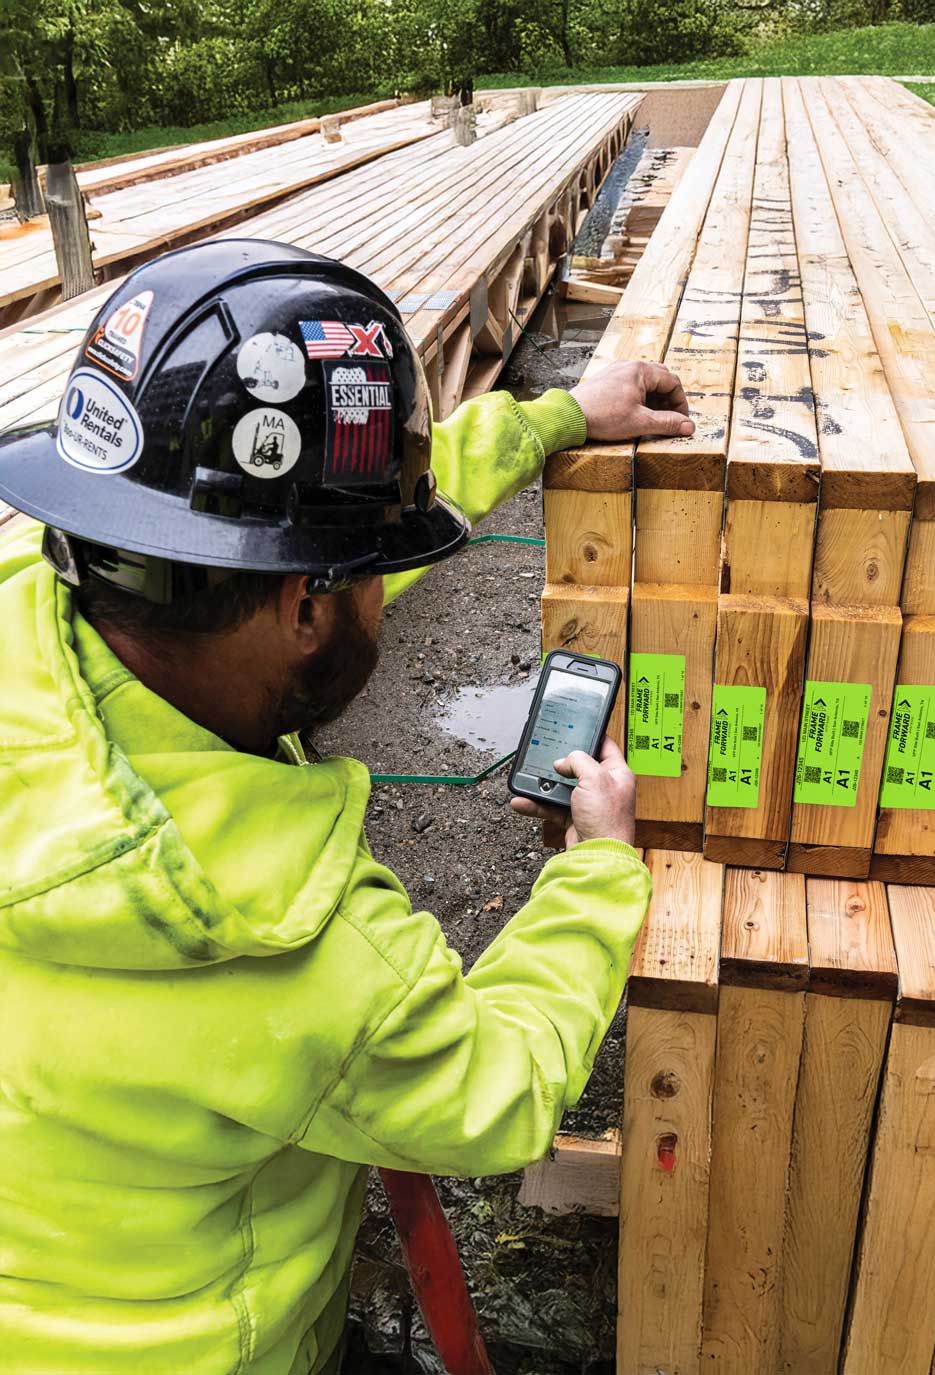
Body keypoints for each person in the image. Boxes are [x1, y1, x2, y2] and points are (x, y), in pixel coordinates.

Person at [0, 240, 694, 1375]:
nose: (382, 586)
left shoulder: (53, 605)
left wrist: (557, 414)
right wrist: (598, 870)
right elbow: (500, 1093)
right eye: (368, 572)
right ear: (305, 611)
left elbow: (282, 550)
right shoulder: (304, 952)